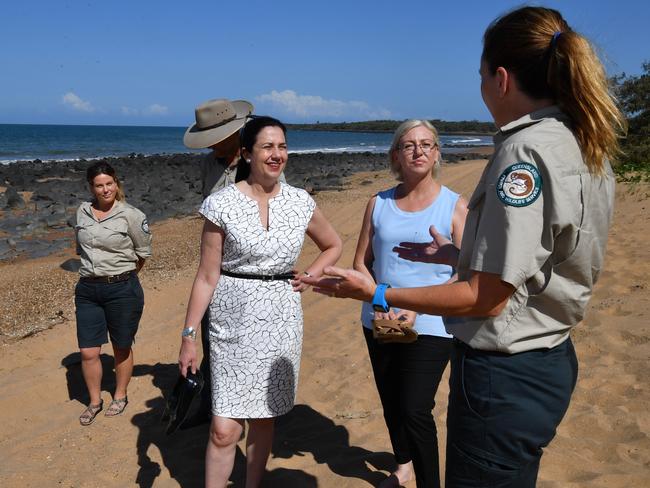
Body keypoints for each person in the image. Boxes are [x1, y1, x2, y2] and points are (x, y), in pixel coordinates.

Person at [302, 6, 626, 487]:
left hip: (506, 374)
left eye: (479, 76)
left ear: (500, 79)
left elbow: (487, 298)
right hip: (549, 358)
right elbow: (547, 256)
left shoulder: (524, 153)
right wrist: (460, 256)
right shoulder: (581, 140)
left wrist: (376, 294)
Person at [178, 116, 342, 487]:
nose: (277, 154)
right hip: (231, 320)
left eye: (282, 146)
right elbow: (206, 275)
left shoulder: (301, 201)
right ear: (247, 154)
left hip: (281, 318)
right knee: (223, 428)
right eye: (267, 147)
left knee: (265, 417)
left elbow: (333, 244)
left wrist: (310, 275)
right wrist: (188, 335)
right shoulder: (220, 204)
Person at [353, 119, 467, 488]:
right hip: (378, 319)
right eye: (408, 145)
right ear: (396, 156)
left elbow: (467, 272)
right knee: (391, 400)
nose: (418, 151)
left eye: (426, 144)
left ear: (437, 154)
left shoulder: (455, 206)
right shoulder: (378, 203)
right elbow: (361, 262)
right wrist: (378, 299)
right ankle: (403, 466)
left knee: (416, 408)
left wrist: (417, 305)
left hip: (433, 324)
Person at [183, 98, 287, 425]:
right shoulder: (207, 165)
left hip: (252, 272)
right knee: (211, 335)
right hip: (217, 268)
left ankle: (252, 403)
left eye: (215, 137)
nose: (211, 145)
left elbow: (277, 212)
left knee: (253, 342)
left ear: (235, 134)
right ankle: (214, 399)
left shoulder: (260, 164)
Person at [74, 161, 152, 426]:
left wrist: (122, 278)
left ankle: (120, 395)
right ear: (91, 187)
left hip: (122, 288)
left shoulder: (131, 215)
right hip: (87, 289)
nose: (105, 189)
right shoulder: (82, 212)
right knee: (88, 351)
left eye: (109, 184)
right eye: (99, 185)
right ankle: (94, 401)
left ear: (116, 184)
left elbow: (142, 254)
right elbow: (80, 250)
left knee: (121, 346)